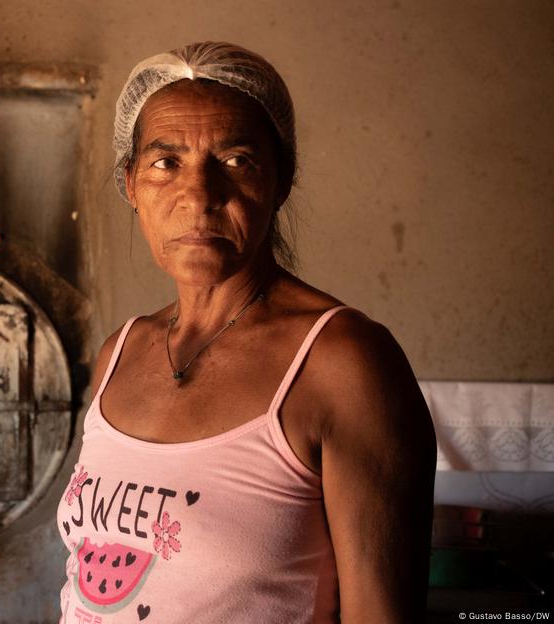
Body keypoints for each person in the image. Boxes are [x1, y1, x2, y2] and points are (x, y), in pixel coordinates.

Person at [56, 42, 436, 623]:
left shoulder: (342, 362)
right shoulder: (122, 351)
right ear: (130, 184)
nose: (200, 197)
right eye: (165, 163)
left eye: (237, 161)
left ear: (280, 181)